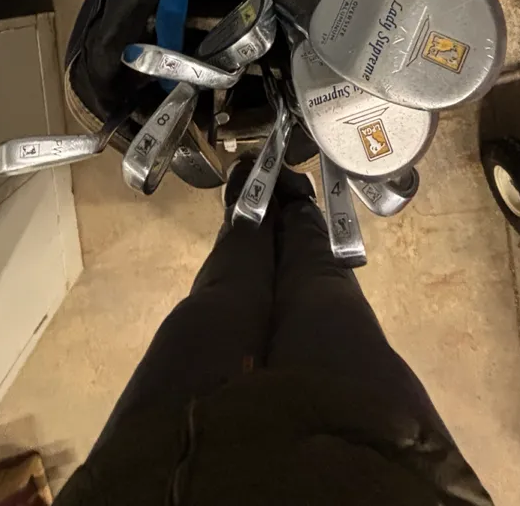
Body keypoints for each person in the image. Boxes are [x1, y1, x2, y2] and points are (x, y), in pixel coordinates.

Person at [55, 160, 492, 506]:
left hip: (155, 468)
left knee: (229, 290)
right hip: (377, 455)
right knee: (323, 287)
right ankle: (296, 206)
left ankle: (252, 207)